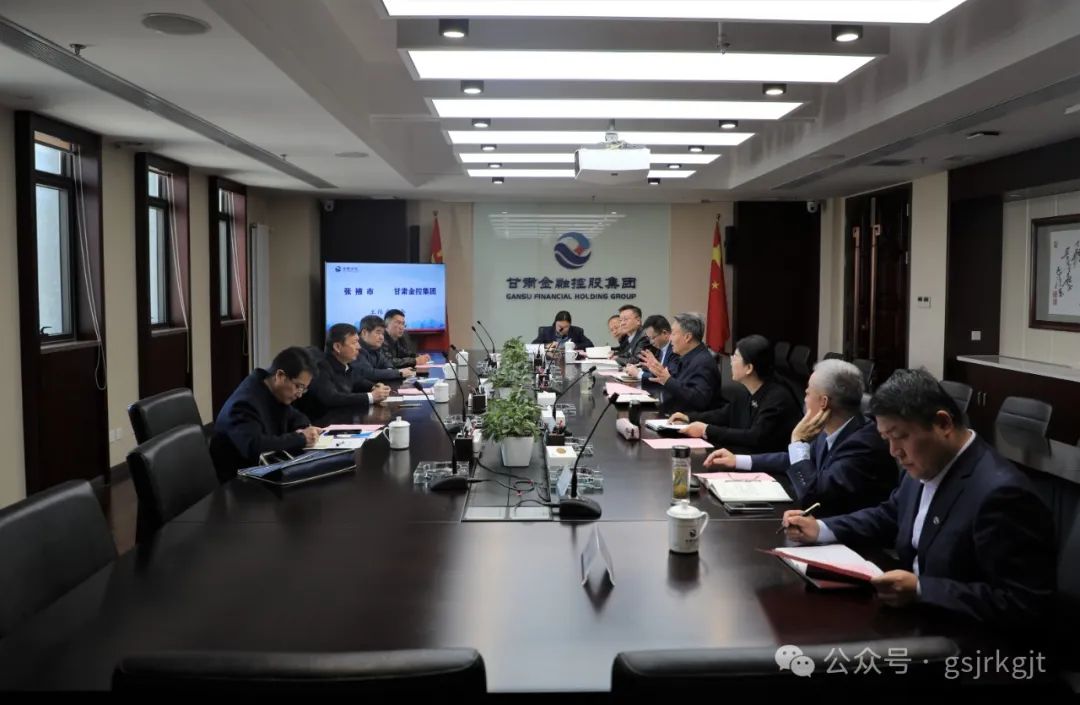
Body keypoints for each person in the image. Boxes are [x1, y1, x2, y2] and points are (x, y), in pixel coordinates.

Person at [781, 368, 1056, 633]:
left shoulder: (1001, 493)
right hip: (911, 616)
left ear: (943, 424)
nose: (894, 452)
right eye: (886, 439)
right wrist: (821, 529)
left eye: (900, 437)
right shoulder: (927, 462)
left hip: (965, 641)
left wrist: (922, 589)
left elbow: (1023, 603)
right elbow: (890, 515)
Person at [704, 359, 897, 516]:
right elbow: (795, 459)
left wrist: (797, 441)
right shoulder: (834, 428)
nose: (804, 398)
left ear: (823, 402)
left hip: (852, 542)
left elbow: (812, 495)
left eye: (808, 393)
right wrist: (737, 460)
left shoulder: (863, 444)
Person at [670, 334, 800, 453]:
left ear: (749, 368)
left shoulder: (777, 398)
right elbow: (724, 415)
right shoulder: (746, 391)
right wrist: (688, 418)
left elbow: (754, 437)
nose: (731, 361)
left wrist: (706, 430)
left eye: (735, 357)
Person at [209, 347, 322, 482]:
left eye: (304, 389)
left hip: (263, 470)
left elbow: (294, 416)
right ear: (280, 376)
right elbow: (256, 446)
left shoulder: (272, 389)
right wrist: (301, 438)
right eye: (298, 386)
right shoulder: (244, 403)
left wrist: (306, 428)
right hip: (239, 481)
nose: (299, 394)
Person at [295, 323, 392, 424]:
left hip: (342, 419)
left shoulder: (346, 365)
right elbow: (332, 398)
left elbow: (357, 381)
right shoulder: (321, 367)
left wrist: (374, 386)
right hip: (322, 424)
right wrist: (371, 397)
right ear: (337, 347)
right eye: (354, 342)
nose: (359, 347)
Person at [636, 313, 721, 413]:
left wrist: (667, 380)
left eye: (673, 334)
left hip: (690, 419)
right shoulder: (687, 357)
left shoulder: (703, 362)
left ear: (687, 337)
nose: (670, 338)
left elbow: (699, 400)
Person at [354, 314, 414, 382]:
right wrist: (398, 373)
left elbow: (388, 364)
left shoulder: (375, 347)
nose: (382, 337)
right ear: (364, 333)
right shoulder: (356, 349)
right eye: (378, 333)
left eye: (382, 334)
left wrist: (391, 372)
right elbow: (370, 374)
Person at [625, 314, 673, 382]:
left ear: (664, 333)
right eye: (649, 338)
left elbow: (665, 378)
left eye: (653, 338)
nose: (651, 342)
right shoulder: (660, 349)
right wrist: (638, 369)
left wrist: (638, 373)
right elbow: (654, 371)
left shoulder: (675, 351)